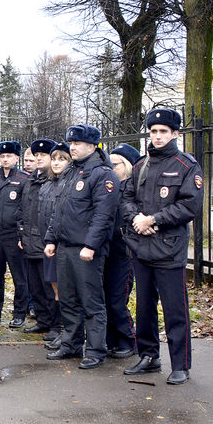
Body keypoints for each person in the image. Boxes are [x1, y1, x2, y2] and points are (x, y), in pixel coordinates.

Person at [121, 109, 203, 385]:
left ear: (175, 134)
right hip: (141, 246)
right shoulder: (140, 165)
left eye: (163, 132)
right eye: (153, 131)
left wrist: (153, 219)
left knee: (174, 310)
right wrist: (136, 219)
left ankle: (180, 364)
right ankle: (148, 356)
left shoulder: (186, 165)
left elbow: (189, 205)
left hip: (169, 249)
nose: (157, 136)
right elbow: (127, 198)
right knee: (144, 306)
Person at [44, 125, 119, 370]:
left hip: (86, 250)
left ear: (92, 145)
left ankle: (96, 350)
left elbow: (103, 215)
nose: (72, 147)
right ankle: (71, 343)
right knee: (68, 299)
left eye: (77, 143)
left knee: (91, 301)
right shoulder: (70, 172)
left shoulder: (102, 174)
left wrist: (91, 245)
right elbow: (59, 209)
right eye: (71, 143)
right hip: (65, 247)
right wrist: (51, 239)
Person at [0, 141, 30, 327]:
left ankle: (19, 313)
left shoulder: (24, 179)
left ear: (17, 158)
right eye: (2, 156)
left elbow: (26, 209)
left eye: (9, 156)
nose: (5, 159)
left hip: (14, 235)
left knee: (19, 276)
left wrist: (22, 234)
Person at [18, 139, 59, 336]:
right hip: (29, 241)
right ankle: (43, 320)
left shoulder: (54, 181)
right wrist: (21, 233)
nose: (39, 158)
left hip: (46, 243)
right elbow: (23, 210)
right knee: (35, 287)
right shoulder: (30, 180)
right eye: (37, 155)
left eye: (44, 155)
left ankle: (55, 325)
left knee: (49, 287)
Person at [104, 143, 139, 359]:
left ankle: (128, 339)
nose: (111, 168)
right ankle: (111, 340)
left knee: (118, 298)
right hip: (107, 249)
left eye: (115, 164)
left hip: (124, 251)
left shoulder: (133, 189)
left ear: (126, 166)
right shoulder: (110, 187)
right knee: (105, 297)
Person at [41, 141, 71, 349]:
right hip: (49, 242)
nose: (57, 163)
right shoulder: (47, 184)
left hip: (65, 243)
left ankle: (63, 329)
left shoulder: (70, 183)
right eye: (54, 159)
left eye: (62, 159)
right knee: (52, 285)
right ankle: (56, 325)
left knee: (64, 288)